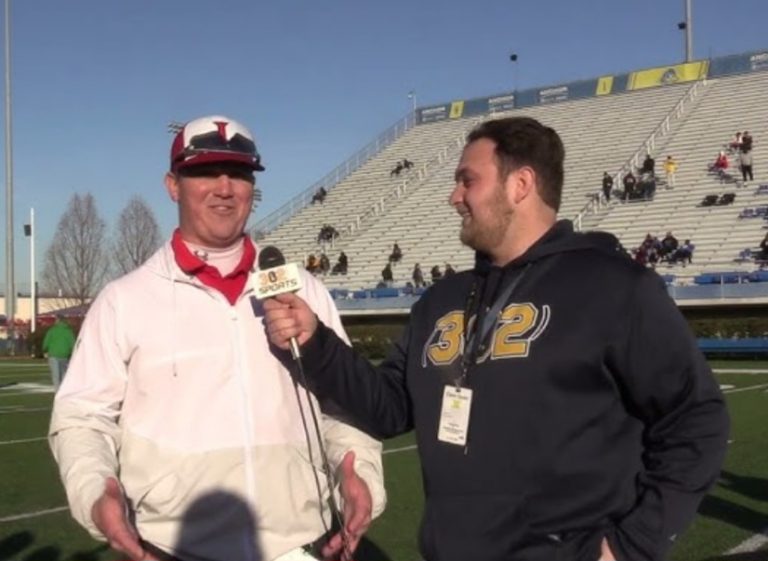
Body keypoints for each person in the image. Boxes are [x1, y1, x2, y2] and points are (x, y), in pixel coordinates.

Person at [263, 116, 729, 561]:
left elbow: (696, 420)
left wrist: (631, 546)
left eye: (468, 180)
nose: (454, 197)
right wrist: (317, 342)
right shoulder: (440, 301)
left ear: (520, 185)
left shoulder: (614, 287)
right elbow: (388, 408)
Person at [48, 115, 385, 561]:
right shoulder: (124, 300)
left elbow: (341, 403)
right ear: (173, 185)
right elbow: (82, 418)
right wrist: (96, 491)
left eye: (240, 174)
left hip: (299, 544)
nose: (225, 187)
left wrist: (358, 471)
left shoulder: (302, 289)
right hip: (172, 547)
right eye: (206, 172)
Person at [42, 314, 76, 390]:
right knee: (64, 374)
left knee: (56, 376)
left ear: (58, 320)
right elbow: (73, 344)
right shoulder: (68, 331)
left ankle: (58, 393)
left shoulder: (52, 330)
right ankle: (64, 391)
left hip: (53, 355)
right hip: (64, 355)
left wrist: (44, 349)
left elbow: (46, 342)